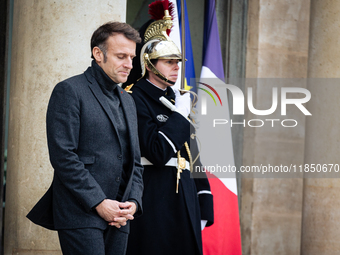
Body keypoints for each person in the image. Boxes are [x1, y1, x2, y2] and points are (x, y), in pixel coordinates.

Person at [26, 21, 144, 255]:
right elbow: (63, 157)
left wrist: (134, 202)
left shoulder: (128, 99)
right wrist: (100, 203)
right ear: (98, 54)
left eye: (132, 57)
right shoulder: (69, 90)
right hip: (80, 212)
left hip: (120, 217)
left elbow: (135, 162)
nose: (129, 64)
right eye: (121, 56)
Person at [124, 2, 214, 255]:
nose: (176, 67)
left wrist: (204, 198)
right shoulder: (134, 97)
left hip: (184, 195)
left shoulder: (180, 99)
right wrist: (179, 116)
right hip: (155, 195)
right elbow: (157, 151)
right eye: (169, 61)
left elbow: (192, 152)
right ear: (149, 63)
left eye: (177, 61)